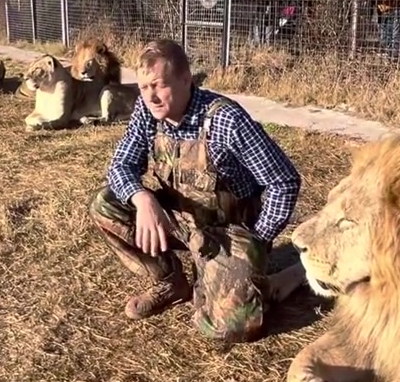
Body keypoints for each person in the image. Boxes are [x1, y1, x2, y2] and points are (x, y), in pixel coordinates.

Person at [88, 38, 303, 345]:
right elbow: (120, 165)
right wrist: (143, 198)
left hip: (227, 234)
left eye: (159, 85)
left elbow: (284, 181)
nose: (150, 96)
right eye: (144, 86)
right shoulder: (147, 112)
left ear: (186, 79)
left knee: (229, 327)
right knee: (105, 204)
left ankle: (277, 281)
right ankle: (170, 282)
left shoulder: (225, 120)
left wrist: (258, 240)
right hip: (180, 219)